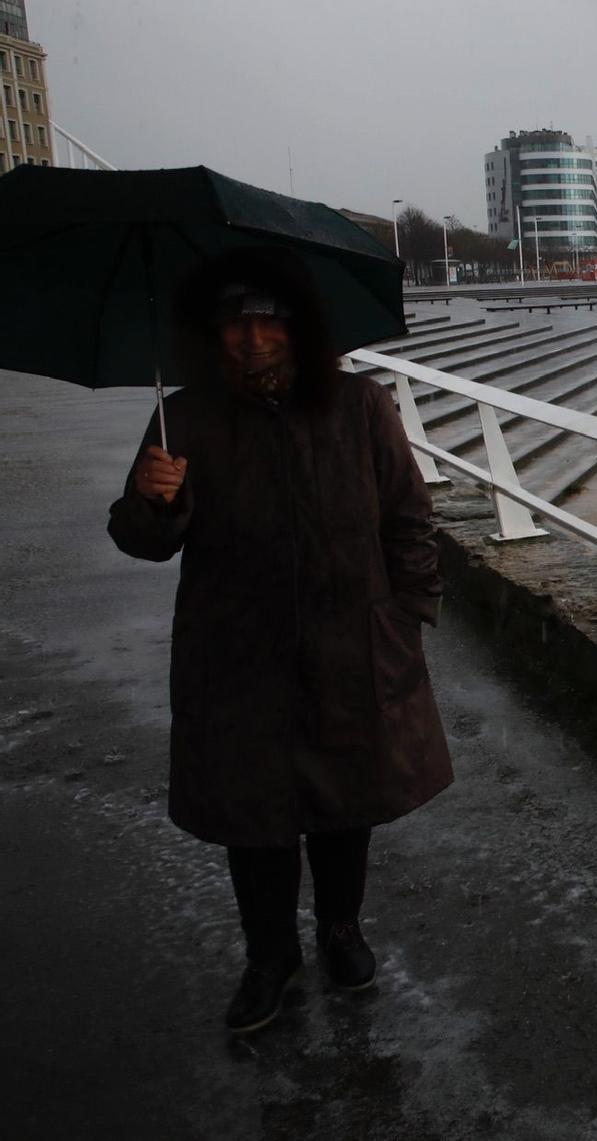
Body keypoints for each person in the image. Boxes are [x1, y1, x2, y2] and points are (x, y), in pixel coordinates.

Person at [107, 248, 451, 1035]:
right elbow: (145, 542)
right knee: (253, 812)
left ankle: (340, 928)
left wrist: (406, 614)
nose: (252, 335)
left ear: (298, 325)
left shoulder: (359, 406)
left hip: (348, 642)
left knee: (343, 799)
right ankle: (269, 956)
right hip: (234, 651)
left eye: (268, 317)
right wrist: (150, 501)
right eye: (235, 320)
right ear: (213, 331)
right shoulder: (184, 418)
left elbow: (407, 516)